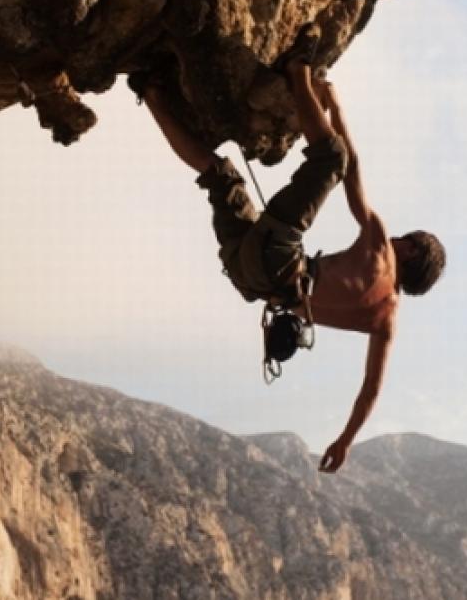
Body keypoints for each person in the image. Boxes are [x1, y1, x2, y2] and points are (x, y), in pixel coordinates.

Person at [132, 58, 446, 473]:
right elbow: (370, 390)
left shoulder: (381, 252)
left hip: (277, 258)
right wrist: (345, 441)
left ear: (409, 252)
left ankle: (299, 72)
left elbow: (351, 170)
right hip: (251, 280)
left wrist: (333, 106)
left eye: (405, 239)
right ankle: (149, 91)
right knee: (220, 176)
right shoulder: (385, 322)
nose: (396, 238)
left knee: (330, 157)